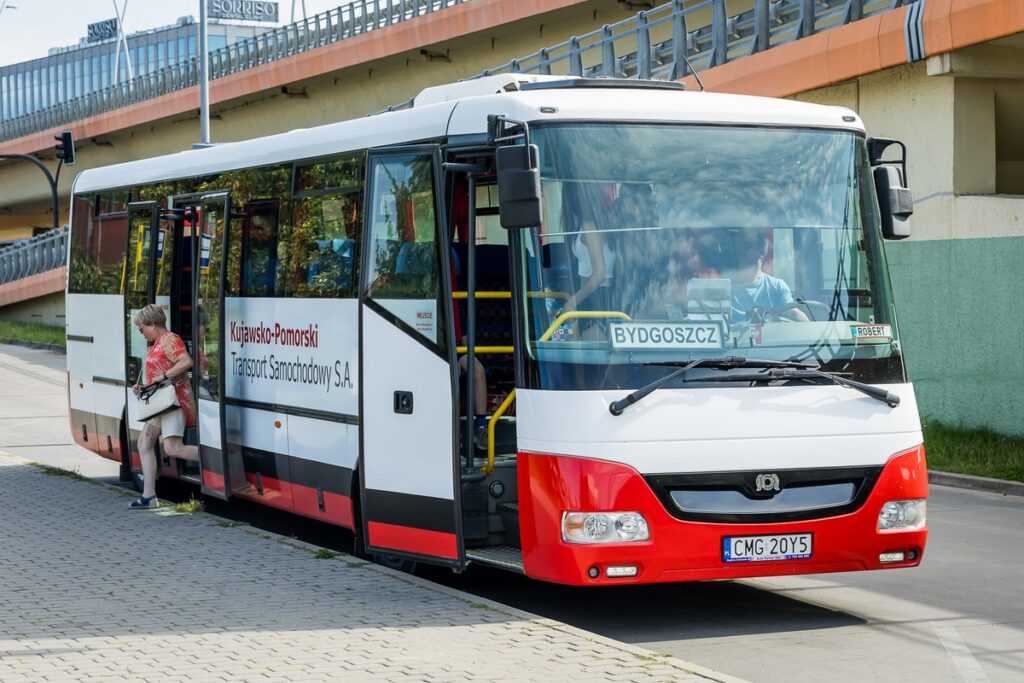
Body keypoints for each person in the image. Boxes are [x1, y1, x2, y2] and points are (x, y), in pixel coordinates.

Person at [129, 303, 199, 509]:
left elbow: (186, 361)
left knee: (172, 448)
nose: (141, 333)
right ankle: (149, 496)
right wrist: (143, 387)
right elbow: (157, 376)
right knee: (144, 443)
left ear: (152, 323)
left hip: (173, 402)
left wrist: (163, 376)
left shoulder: (170, 339)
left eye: (142, 328)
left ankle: (212, 459)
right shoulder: (156, 343)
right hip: (159, 404)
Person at [728, 230, 809, 323]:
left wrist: (814, 334)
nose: (740, 250)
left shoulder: (776, 287)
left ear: (762, 250)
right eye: (737, 246)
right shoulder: (725, 287)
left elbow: (793, 313)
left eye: (746, 246)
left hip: (771, 337)